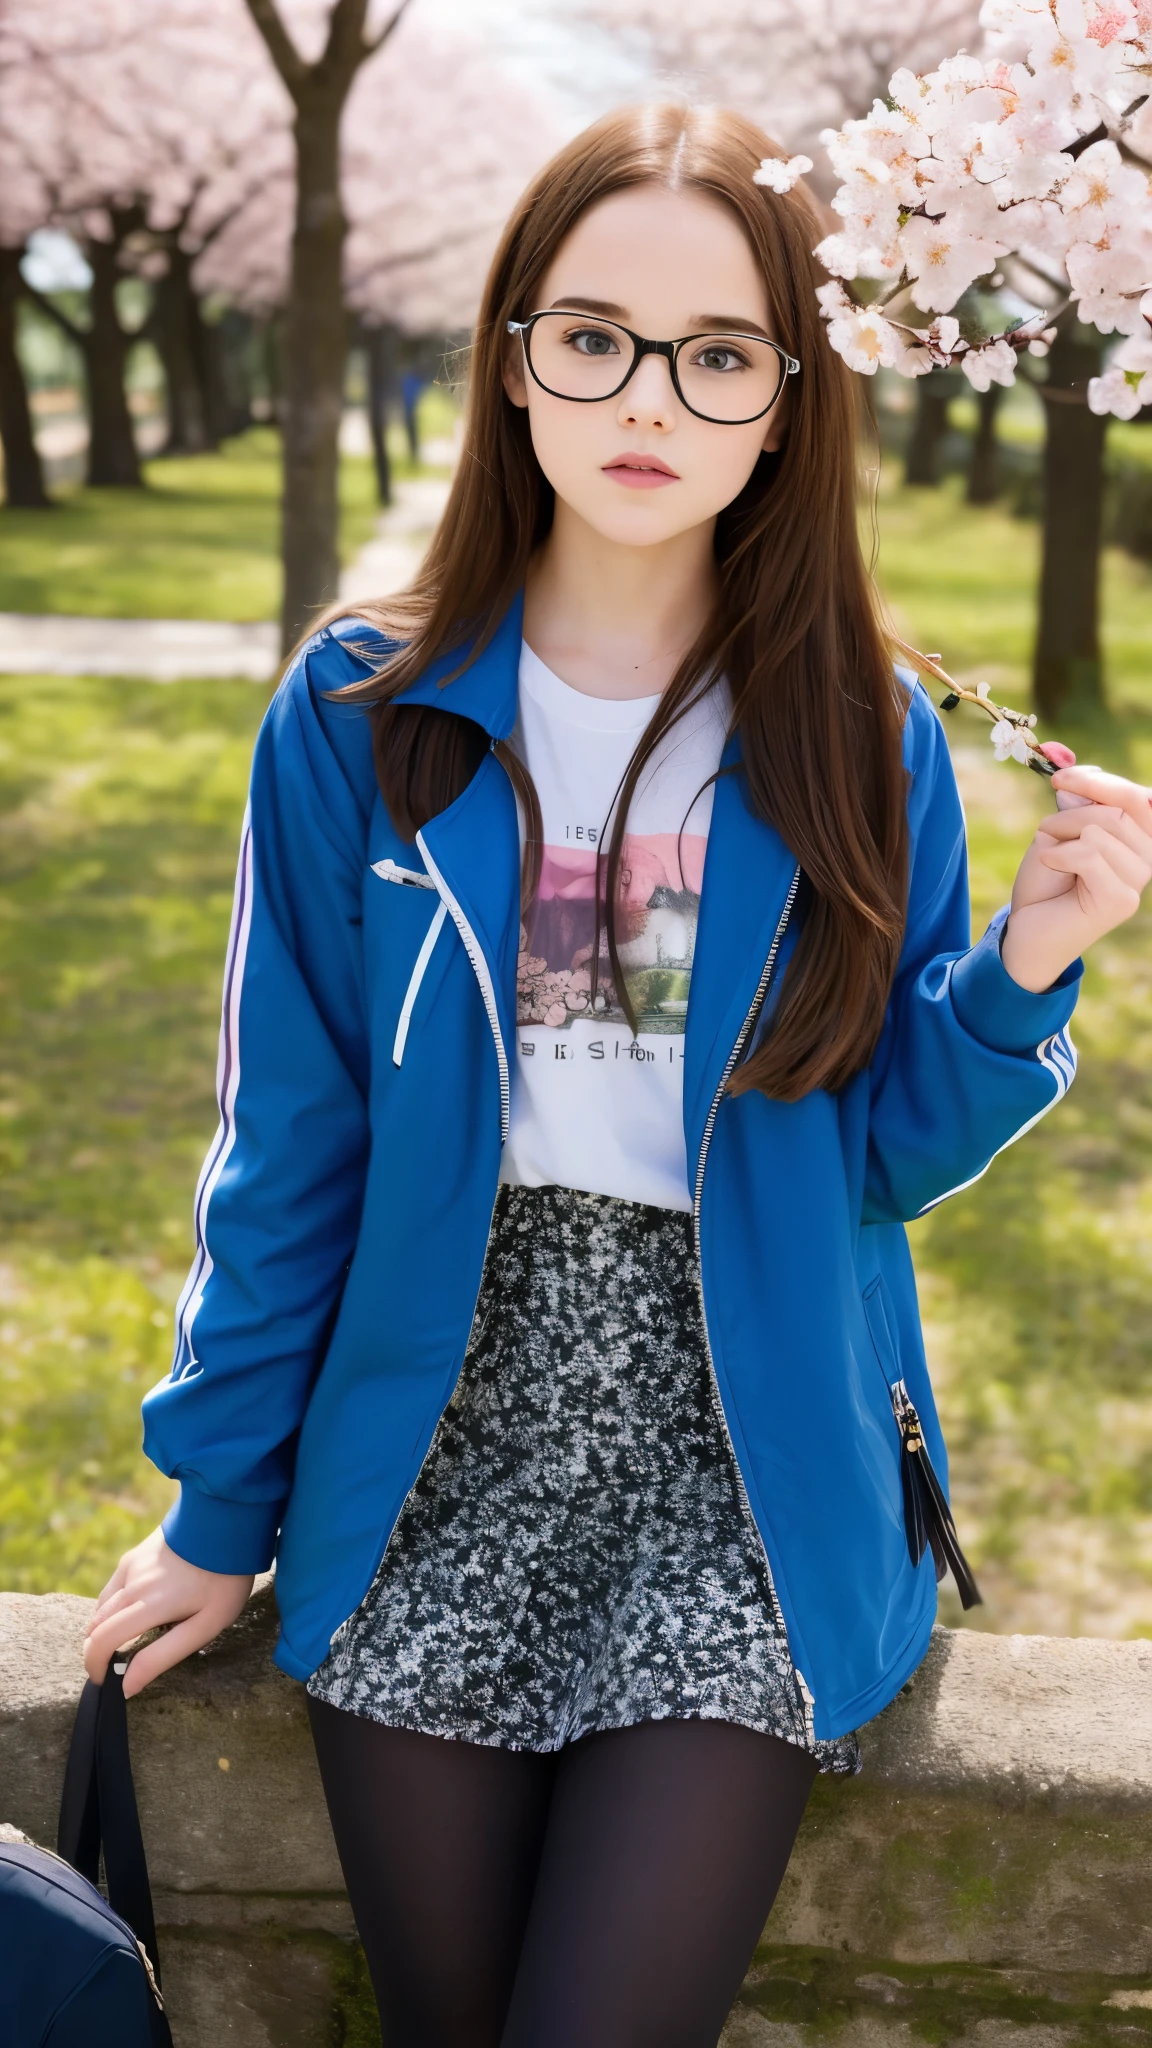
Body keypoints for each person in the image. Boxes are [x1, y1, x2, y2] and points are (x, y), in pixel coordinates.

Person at [83, 105, 1152, 2048]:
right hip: (432, 1434)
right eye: (592, 336)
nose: (647, 395)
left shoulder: (862, 728)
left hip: (741, 1458)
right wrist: (216, 1505)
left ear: (787, 396)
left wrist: (1023, 974)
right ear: (511, 360)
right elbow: (288, 1146)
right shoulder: (360, 713)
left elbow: (881, 1151)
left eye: (720, 351)